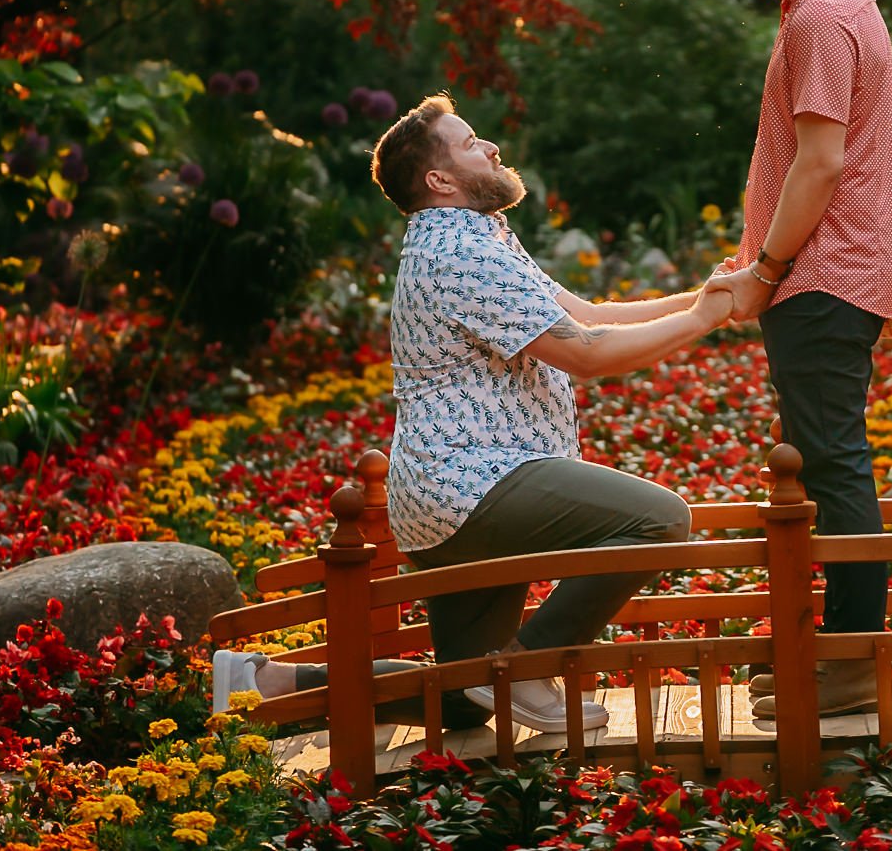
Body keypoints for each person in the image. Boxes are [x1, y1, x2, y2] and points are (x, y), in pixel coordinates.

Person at [213, 95, 734, 733]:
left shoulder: (478, 237)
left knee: (463, 696)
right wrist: (707, 319)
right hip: (475, 482)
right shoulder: (459, 255)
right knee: (660, 519)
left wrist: (707, 300)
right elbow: (589, 355)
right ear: (440, 180)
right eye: (470, 143)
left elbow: (590, 317)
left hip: (447, 492)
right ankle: (525, 669)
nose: (489, 147)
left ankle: (263, 681)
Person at [710, 0, 892, 717]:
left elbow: (821, 164)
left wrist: (766, 268)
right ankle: (832, 650)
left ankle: (852, 664)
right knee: (829, 463)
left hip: (823, 278)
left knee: (833, 465)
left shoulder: (821, 18)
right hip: (828, 275)